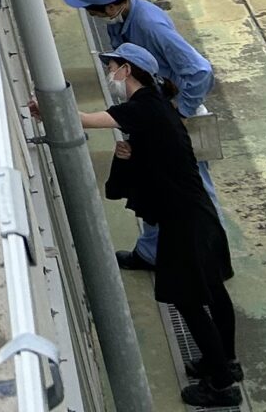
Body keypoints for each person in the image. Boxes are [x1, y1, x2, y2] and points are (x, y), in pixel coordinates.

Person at [77, 41, 243, 405]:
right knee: (213, 291)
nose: (110, 74)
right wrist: (127, 155)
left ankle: (219, 385)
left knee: (187, 300)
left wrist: (48, 110)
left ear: (127, 70)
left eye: (113, 67)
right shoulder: (158, 108)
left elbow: (89, 120)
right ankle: (227, 364)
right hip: (198, 215)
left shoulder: (144, 107)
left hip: (183, 224)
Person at [63, 0, 213, 268]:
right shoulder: (121, 19)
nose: (91, 16)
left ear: (109, 7)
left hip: (176, 113)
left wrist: (181, 113)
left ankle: (210, 257)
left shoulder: (149, 25)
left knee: (197, 191)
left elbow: (200, 70)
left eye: (91, 11)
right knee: (152, 184)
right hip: (156, 112)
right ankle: (151, 252)